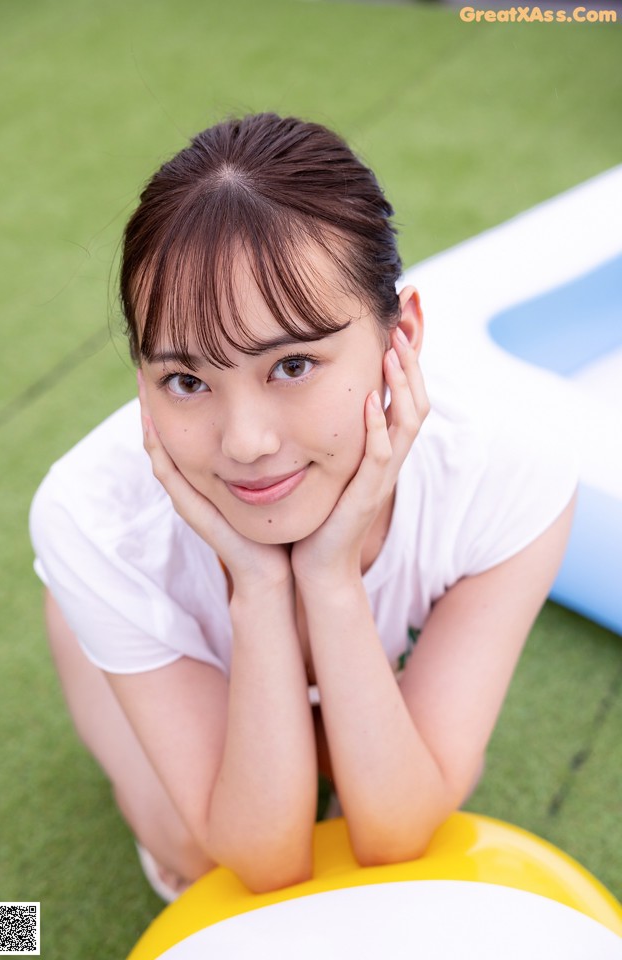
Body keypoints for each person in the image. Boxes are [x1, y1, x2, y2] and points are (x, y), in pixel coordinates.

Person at [29, 113, 577, 900]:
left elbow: (396, 831)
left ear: (404, 337)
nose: (246, 441)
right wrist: (257, 585)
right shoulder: (96, 520)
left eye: (292, 364)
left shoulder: (506, 472)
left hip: (346, 622)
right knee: (201, 851)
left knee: (399, 780)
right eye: (186, 381)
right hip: (166, 632)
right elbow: (261, 860)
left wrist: (327, 578)